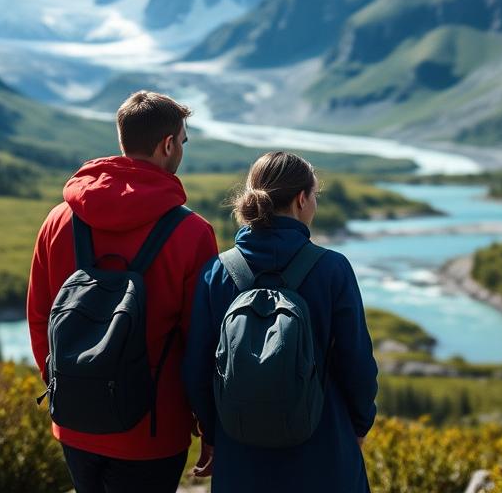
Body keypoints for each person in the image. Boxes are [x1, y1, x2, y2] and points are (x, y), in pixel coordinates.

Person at [27, 90, 218, 493]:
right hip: (152, 428)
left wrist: (67, 381)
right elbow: (200, 340)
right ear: (168, 144)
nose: (181, 150)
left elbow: (40, 315)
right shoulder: (192, 233)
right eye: (182, 142)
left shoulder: (59, 220)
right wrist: (207, 422)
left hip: (75, 420)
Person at [182, 151, 378, 492]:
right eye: (315, 195)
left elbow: (197, 369)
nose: (315, 203)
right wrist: (357, 425)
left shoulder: (217, 272)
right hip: (323, 446)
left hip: (239, 451)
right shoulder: (332, 268)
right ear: (301, 200)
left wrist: (215, 436)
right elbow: (356, 363)